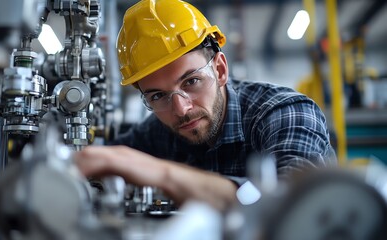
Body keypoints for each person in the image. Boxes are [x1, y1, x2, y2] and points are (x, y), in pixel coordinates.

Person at [74, 0, 336, 211]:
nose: (180, 109)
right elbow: (104, 162)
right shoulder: (159, 130)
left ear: (220, 69)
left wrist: (163, 174)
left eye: (192, 81)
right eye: (157, 96)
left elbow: (293, 205)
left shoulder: (284, 112)